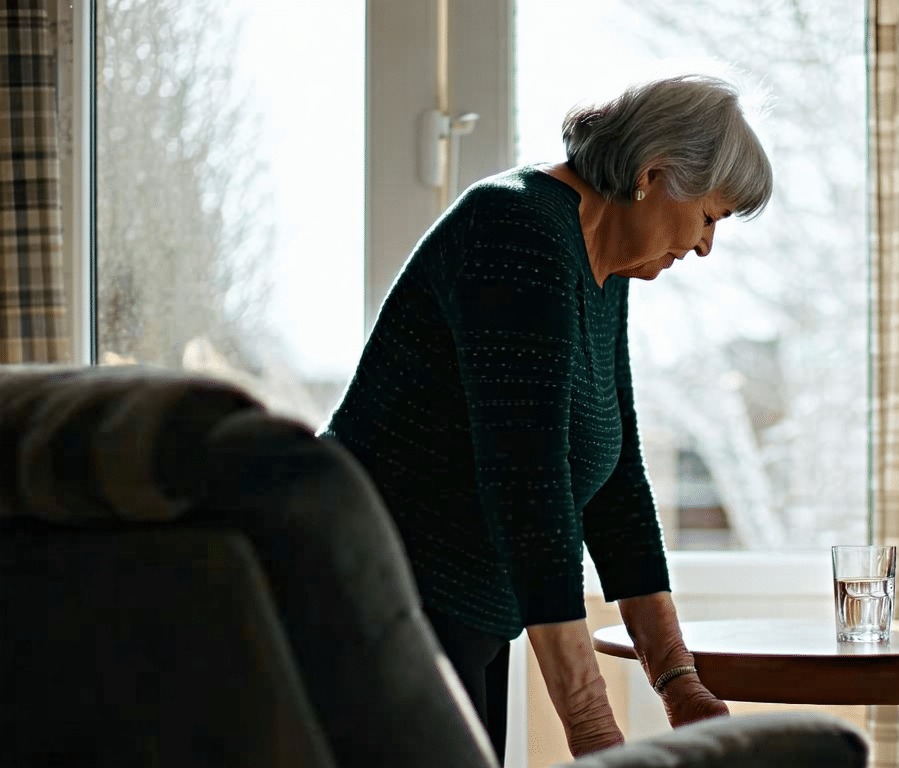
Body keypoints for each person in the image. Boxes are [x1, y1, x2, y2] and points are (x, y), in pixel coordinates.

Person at [320, 74, 772, 761]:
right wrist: (591, 724)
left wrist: (678, 681)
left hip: (464, 613)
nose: (707, 246)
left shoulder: (604, 266)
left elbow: (616, 482)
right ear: (655, 176)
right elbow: (528, 484)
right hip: (379, 600)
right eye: (710, 217)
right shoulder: (518, 227)